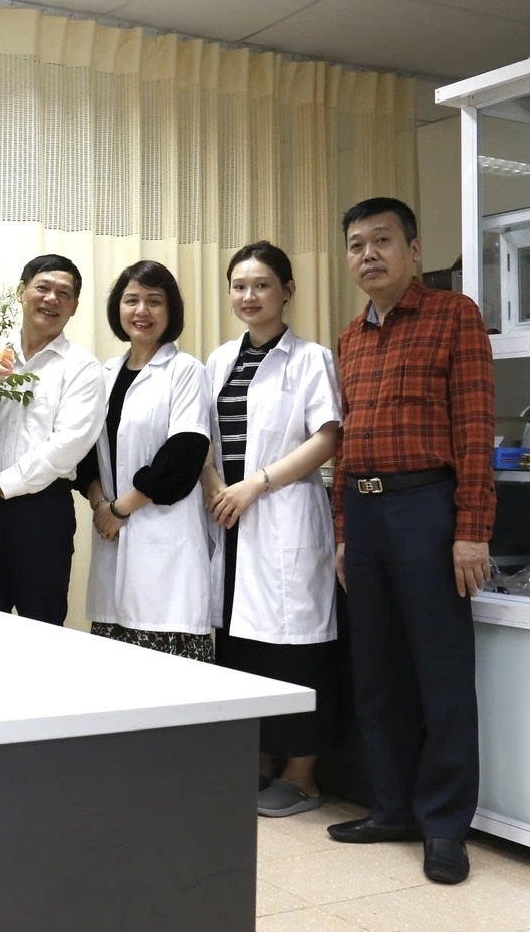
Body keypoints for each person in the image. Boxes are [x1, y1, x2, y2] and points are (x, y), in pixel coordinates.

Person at [326, 198, 494, 886]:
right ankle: (391, 808)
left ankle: (445, 825)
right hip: (364, 515)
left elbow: (475, 430)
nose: (368, 254)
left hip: (428, 507)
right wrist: (343, 532)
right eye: (356, 244)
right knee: (377, 672)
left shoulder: (454, 316)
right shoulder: (350, 338)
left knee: (441, 674)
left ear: (414, 250)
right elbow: (346, 444)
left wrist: (472, 530)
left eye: (382, 241)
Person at [201, 241, 342, 817]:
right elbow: (202, 436)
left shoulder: (310, 359)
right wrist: (216, 484)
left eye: (261, 285)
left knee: (294, 648)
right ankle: (256, 763)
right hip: (229, 514)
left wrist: (255, 484)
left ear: (287, 291)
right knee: (240, 644)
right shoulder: (218, 361)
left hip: (282, 512)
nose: (249, 296)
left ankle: (302, 775)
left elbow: (327, 436)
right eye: (239, 286)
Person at [0, 254, 105, 624]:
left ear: (74, 306)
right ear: (22, 291)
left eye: (64, 293)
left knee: (42, 627)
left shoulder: (83, 367)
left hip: (42, 511)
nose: (52, 298)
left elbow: (67, 446)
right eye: (43, 287)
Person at [78, 260, 212, 661]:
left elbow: (185, 453)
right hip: (112, 539)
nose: (142, 310)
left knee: (167, 678)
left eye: (154, 301)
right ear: (117, 308)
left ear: (171, 311)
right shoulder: (104, 374)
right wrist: (101, 506)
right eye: (132, 300)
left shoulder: (186, 371)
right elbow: (86, 454)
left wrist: (120, 509)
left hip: (165, 547)